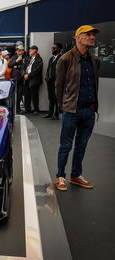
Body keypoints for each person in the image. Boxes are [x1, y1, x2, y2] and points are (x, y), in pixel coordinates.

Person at [54, 25, 100, 191]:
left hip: (89, 110)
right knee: (65, 145)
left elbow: (94, 85)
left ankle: (76, 175)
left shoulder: (95, 60)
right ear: (77, 37)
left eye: (93, 35)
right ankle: (60, 176)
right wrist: (64, 106)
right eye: (88, 34)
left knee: (82, 145)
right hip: (71, 110)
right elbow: (58, 87)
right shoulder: (65, 59)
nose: (92, 37)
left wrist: (93, 107)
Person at [43, 43, 63, 119]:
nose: (52, 49)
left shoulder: (61, 58)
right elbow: (49, 69)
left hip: (56, 81)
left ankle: (56, 114)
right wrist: (46, 76)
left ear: (59, 49)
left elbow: (58, 71)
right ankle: (50, 113)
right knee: (50, 98)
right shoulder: (51, 58)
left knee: (56, 98)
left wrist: (51, 78)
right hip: (49, 81)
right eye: (52, 48)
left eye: (54, 48)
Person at [23, 45, 43, 114]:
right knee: (27, 94)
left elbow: (37, 70)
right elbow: (24, 67)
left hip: (34, 79)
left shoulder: (39, 59)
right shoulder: (28, 58)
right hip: (26, 78)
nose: (29, 51)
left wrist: (29, 75)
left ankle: (36, 109)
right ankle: (27, 108)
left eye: (31, 50)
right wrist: (24, 74)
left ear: (35, 50)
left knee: (34, 95)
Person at [8, 45, 27, 113]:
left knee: (20, 93)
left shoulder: (26, 57)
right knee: (13, 93)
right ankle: (13, 107)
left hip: (22, 78)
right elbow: (9, 65)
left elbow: (26, 66)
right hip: (14, 77)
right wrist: (16, 61)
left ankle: (18, 108)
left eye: (20, 50)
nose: (19, 51)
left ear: (23, 51)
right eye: (18, 50)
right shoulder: (14, 57)